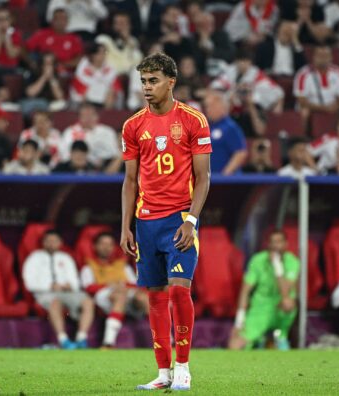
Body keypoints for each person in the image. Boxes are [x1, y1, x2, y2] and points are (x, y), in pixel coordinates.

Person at [120, 53, 211, 391]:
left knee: (178, 290)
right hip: (145, 222)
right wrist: (125, 226)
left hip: (178, 220)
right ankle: (163, 373)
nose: (147, 87)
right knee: (155, 297)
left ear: (171, 81)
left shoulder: (192, 120)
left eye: (153, 80)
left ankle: (183, 367)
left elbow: (203, 178)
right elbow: (130, 182)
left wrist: (191, 220)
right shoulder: (132, 126)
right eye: (143, 81)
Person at [22, 230, 95, 349]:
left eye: (54, 241)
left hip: (68, 292)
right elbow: (29, 283)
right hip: (45, 293)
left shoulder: (66, 258)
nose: (51, 244)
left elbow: (75, 280)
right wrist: (50, 286)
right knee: (55, 303)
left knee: (88, 302)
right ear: (43, 243)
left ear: (60, 243)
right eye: (48, 241)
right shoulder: (34, 258)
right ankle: (64, 340)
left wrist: (70, 285)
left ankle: (81, 338)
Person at [230, 231, 300, 350]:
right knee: (234, 345)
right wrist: (239, 321)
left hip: (279, 306)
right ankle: (261, 339)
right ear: (268, 245)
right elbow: (245, 291)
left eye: (279, 242)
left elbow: (285, 293)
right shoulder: (258, 260)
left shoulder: (293, 262)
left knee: (288, 303)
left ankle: (280, 335)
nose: (275, 246)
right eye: (273, 242)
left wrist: (277, 266)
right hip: (260, 307)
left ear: (285, 244)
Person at [81, 232, 147, 348]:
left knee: (144, 297)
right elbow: (88, 287)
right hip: (104, 296)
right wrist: (109, 285)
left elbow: (135, 284)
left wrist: (123, 285)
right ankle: (108, 343)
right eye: (102, 244)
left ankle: (168, 341)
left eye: (109, 244)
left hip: (126, 294)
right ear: (95, 246)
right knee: (119, 296)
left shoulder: (123, 266)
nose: (106, 247)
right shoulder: (88, 267)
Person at [203, 91, 247, 175]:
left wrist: (225, 174)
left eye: (211, 106)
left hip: (226, 182)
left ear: (221, 107)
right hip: (210, 179)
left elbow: (240, 153)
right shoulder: (207, 126)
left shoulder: (229, 127)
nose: (207, 110)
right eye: (207, 106)